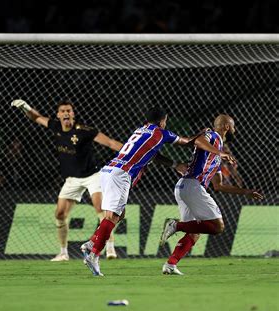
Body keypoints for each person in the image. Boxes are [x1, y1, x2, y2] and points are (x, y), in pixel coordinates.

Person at [79, 107, 234, 276]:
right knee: (113, 216)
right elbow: (187, 142)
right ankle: (94, 254)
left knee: (119, 214)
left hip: (109, 169)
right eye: (165, 121)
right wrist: (201, 134)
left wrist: (175, 165)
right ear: (162, 121)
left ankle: (92, 243)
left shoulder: (140, 130)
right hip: (121, 173)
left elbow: (153, 155)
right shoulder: (161, 132)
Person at [12, 99, 123, 261]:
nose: (66, 113)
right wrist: (26, 107)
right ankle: (63, 253)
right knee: (60, 214)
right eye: (63, 111)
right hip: (72, 179)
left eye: (69, 111)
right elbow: (36, 117)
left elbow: (111, 143)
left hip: (92, 176)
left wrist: (133, 152)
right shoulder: (55, 126)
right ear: (58, 115)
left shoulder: (85, 130)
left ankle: (110, 249)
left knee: (101, 209)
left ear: (73, 114)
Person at [160, 114, 264, 275]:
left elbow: (219, 186)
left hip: (185, 187)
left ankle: (170, 265)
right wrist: (220, 153)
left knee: (195, 232)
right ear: (227, 127)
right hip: (192, 185)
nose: (235, 130)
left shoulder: (216, 152)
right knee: (217, 226)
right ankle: (176, 225)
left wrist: (246, 192)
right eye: (233, 127)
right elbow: (199, 140)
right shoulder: (213, 136)